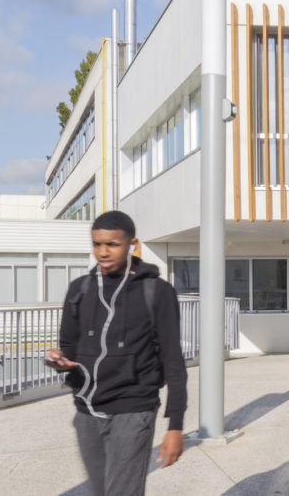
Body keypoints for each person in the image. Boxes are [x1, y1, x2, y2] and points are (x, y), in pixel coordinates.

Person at [45, 210, 186, 496]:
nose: (102, 252)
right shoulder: (79, 289)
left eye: (112, 244)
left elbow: (173, 360)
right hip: (87, 412)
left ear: (133, 244)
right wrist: (58, 362)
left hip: (134, 410)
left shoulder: (157, 291)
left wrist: (176, 426)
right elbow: (69, 349)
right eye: (97, 244)